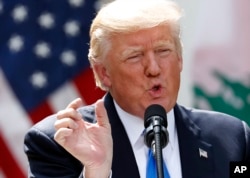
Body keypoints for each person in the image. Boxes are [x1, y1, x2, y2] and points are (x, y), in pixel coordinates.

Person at [24, 0, 250, 177]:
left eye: (163, 51)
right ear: (104, 73)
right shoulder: (58, 144)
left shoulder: (231, 137)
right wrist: (96, 172)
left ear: (180, 59)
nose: (153, 68)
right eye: (135, 56)